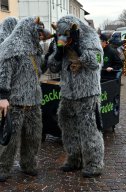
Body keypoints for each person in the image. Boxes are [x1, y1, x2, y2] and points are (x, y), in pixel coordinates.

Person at [48, 15, 104, 178]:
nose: (63, 38)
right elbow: (52, 67)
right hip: (68, 93)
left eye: (66, 35)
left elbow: (96, 63)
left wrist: (79, 49)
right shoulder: (61, 41)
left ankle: (94, 163)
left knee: (90, 128)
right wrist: (58, 53)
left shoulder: (91, 38)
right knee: (67, 126)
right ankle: (74, 158)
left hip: (88, 93)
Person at [0, 16, 52, 182]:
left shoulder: (35, 48)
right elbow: (4, 73)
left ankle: (28, 164)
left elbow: (40, 70)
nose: (40, 35)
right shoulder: (10, 47)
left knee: (33, 136)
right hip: (15, 102)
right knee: (10, 139)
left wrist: (51, 54)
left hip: (34, 101)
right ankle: (3, 167)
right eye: (38, 31)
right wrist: (3, 96)